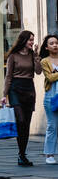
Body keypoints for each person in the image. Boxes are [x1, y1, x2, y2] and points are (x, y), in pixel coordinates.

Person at [3, 30, 42, 166]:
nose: (32, 42)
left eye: (33, 39)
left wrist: (37, 56)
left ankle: (22, 154)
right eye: (30, 40)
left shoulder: (32, 55)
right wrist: (4, 95)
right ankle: (21, 153)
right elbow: (8, 77)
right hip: (15, 90)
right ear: (23, 40)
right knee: (20, 120)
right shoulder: (13, 56)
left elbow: (38, 71)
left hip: (29, 90)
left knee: (26, 125)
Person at [39, 34, 58, 165]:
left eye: (56, 43)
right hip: (51, 96)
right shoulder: (44, 61)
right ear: (46, 47)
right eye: (51, 43)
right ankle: (49, 154)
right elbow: (50, 78)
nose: (55, 45)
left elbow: (53, 76)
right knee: (52, 125)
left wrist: (55, 74)